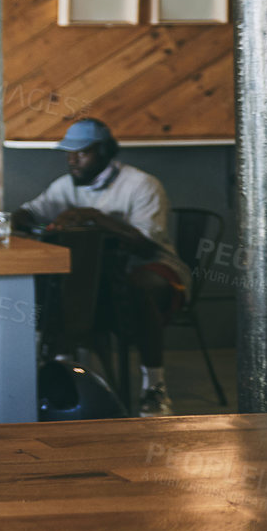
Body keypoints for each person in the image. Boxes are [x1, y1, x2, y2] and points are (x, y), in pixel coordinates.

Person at [13, 118, 189, 417]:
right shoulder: (66, 185)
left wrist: (96, 217)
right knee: (56, 288)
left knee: (137, 290)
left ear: (105, 151)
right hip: (94, 271)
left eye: (82, 153)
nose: (73, 160)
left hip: (151, 266)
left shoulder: (142, 185)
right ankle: (65, 376)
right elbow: (28, 211)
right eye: (69, 153)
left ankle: (154, 387)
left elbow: (146, 246)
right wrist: (28, 221)